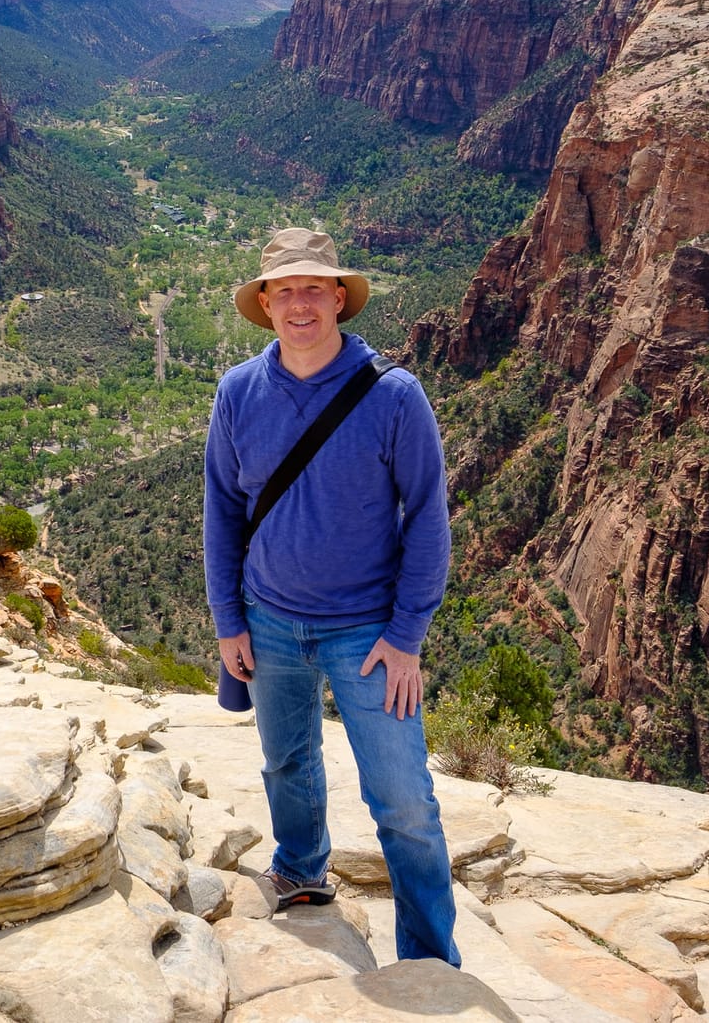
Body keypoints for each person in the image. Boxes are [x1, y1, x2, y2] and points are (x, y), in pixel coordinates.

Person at [202, 226, 460, 966]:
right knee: (287, 764)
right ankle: (303, 872)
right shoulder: (238, 391)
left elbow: (429, 519)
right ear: (265, 304)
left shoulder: (394, 396)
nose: (300, 303)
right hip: (269, 620)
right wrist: (229, 620)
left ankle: (429, 960)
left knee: (404, 802)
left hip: (367, 633)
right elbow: (221, 509)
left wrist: (408, 634)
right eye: (285, 290)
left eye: (314, 287)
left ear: (340, 296)